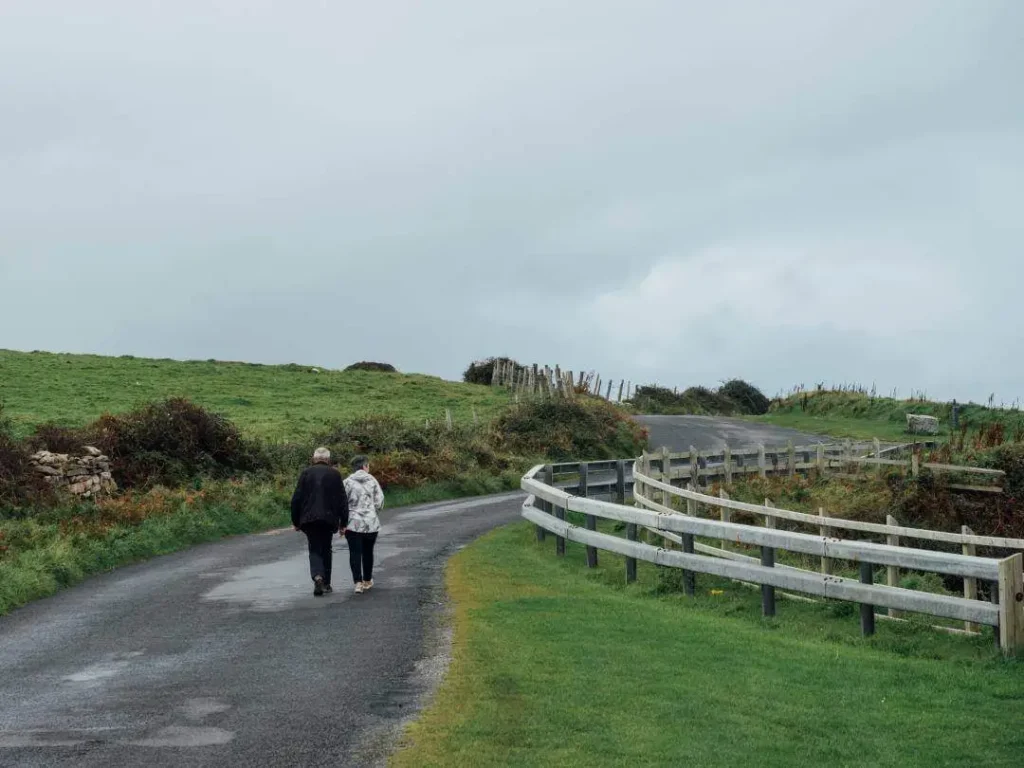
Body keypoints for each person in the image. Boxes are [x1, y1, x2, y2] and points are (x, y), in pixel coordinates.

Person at [291, 447, 348, 597]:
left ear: (314, 458)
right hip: (329, 518)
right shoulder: (335, 474)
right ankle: (327, 583)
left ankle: (317, 576)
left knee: (314, 548)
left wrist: (295, 521)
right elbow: (343, 500)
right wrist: (344, 523)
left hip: (309, 519)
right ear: (328, 459)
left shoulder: (306, 473)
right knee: (326, 548)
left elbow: (296, 499)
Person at [343, 454, 384, 594]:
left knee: (355, 553)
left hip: (353, 523)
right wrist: (373, 510)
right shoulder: (373, 481)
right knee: (368, 552)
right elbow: (379, 502)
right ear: (365, 466)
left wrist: (342, 522)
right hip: (371, 522)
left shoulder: (347, 482)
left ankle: (358, 583)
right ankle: (367, 580)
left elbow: (342, 503)